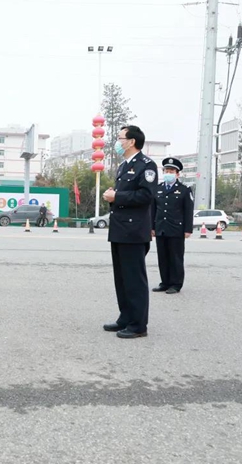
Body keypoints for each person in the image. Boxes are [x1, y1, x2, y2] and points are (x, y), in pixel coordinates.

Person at [102, 125, 157, 339]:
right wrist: (113, 195)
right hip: (120, 229)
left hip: (134, 230)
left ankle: (138, 324)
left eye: (120, 138)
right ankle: (125, 317)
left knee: (134, 279)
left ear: (131, 141)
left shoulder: (146, 166)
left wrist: (118, 197)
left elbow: (146, 196)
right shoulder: (124, 166)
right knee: (122, 278)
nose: (117, 142)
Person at [151, 157, 194, 294]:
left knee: (175, 257)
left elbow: (188, 211)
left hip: (176, 229)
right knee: (162, 257)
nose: (168, 173)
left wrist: (188, 229)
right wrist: (152, 227)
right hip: (161, 228)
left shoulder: (184, 190)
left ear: (177, 174)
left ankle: (176, 284)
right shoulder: (157, 189)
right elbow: (153, 210)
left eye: (171, 171)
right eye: (166, 170)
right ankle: (165, 282)